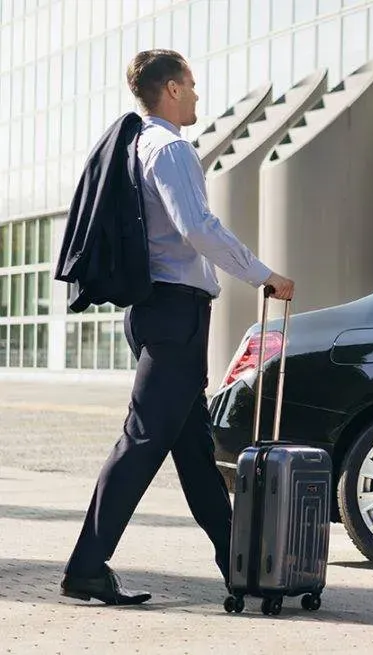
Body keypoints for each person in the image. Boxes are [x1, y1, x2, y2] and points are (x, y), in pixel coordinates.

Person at [60, 49, 294, 605]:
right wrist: (262, 274)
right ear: (169, 89)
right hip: (174, 315)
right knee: (141, 441)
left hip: (160, 313)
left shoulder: (138, 145)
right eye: (190, 85)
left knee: (193, 449)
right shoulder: (169, 148)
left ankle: (240, 565)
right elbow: (197, 227)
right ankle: (85, 567)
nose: (195, 94)